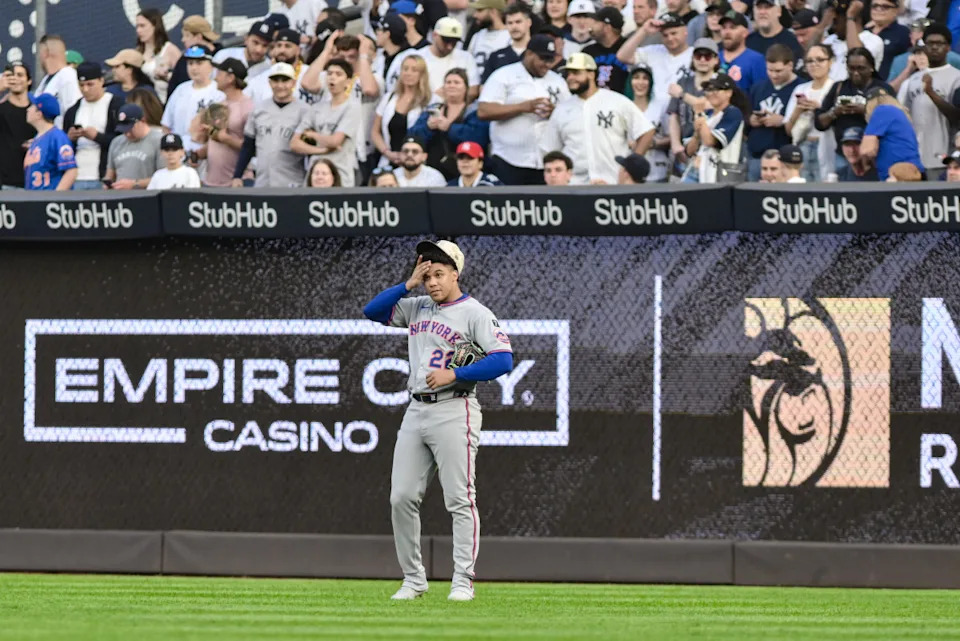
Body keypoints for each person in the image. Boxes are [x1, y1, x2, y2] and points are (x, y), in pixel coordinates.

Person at [362, 239, 514, 603]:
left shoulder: (475, 312)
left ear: (455, 274)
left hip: (454, 407)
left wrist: (457, 374)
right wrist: (407, 285)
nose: (432, 282)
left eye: (439, 274)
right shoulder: (417, 307)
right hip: (416, 409)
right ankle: (414, 579)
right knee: (401, 497)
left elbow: (504, 359)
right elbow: (372, 311)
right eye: (428, 275)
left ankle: (463, 579)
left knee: (459, 499)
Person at [541, 52, 653, 184]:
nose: (570, 78)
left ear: (591, 74)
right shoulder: (561, 110)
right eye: (568, 74)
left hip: (613, 182)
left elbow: (646, 131)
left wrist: (631, 167)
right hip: (575, 185)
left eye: (576, 73)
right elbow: (551, 150)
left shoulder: (616, 101)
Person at [479, 34, 569, 184]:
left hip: (546, 162)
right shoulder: (503, 75)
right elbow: (484, 111)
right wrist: (523, 107)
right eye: (543, 58)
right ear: (529, 54)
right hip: (509, 159)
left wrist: (554, 112)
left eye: (551, 59)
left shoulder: (558, 81)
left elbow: (568, 114)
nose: (547, 64)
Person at [815, 47, 893, 175]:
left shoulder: (882, 89)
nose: (855, 73)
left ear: (871, 68)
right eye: (851, 68)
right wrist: (835, 112)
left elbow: (894, 120)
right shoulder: (839, 87)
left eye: (861, 68)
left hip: (875, 154)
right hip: (845, 154)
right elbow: (819, 123)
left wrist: (865, 110)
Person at [233, 63, 312, 188]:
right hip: (263, 182)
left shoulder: (305, 111)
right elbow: (248, 146)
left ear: (293, 83)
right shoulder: (259, 110)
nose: (280, 85)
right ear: (270, 83)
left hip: (294, 182)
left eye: (285, 80)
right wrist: (237, 175)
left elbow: (311, 151)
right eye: (276, 80)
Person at [897, 24, 960, 179]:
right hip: (916, 158)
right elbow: (906, 116)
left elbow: (957, 117)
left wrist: (931, 93)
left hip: (946, 158)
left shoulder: (957, 77)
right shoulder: (913, 79)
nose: (934, 48)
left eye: (940, 44)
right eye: (930, 43)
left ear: (948, 48)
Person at [291, 58, 362, 186]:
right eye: (329, 74)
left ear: (348, 81)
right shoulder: (317, 108)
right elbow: (295, 143)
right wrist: (321, 151)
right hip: (315, 174)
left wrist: (313, 135)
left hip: (341, 175)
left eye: (338, 74)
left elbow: (336, 141)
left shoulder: (352, 107)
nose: (332, 78)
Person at [408, 68, 490, 179]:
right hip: (433, 171)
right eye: (448, 82)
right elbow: (412, 136)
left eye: (457, 82)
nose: (452, 85)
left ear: (466, 87)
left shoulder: (474, 111)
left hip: (465, 170)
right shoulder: (433, 109)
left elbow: (478, 138)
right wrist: (428, 127)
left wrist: (450, 128)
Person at [63, 62, 124, 190]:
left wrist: (97, 137)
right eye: (81, 85)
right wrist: (69, 139)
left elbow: (123, 142)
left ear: (101, 81)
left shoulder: (115, 105)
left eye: (90, 84)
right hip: (77, 176)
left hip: (103, 175)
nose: (85, 89)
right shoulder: (73, 110)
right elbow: (63, 146)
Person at [746, 44, 803, 181]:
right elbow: (747, 116)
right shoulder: (758, 87)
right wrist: (752, 120)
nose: (773, 75)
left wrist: (783, 121)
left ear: (790, 65)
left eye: (778, 71)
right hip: (757, 154)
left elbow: (804, 125)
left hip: (785, 157)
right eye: (769, 70)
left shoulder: (801, 88)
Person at [667, 37, 720, 178]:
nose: (702, 60)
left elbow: (708, 105)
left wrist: (682, 95)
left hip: (709, 147)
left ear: (716, 60)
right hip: (685, 147)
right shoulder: (683, 82)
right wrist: (675, 144)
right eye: (698, 56)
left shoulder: (721, 83)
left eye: (707, 56)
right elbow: (674, 115)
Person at [785, 45, 836, 182]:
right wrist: (798, 110)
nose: (815, 64)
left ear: (830, 62)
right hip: (802, 145)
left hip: (827, 145)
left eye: (820, 59)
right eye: (810, 61)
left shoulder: (836, 87)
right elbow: (788, 130)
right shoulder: (800, 88)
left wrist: (819, 108)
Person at [683, 72, 747, 183]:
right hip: (696, 171)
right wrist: (696, 135)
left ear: (729, 93)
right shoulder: (707, 114)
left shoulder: (733, 113)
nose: (711, 93)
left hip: (719, 174)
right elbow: (689, 151)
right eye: (709, 90)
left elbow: (710, 141)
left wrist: (699, 113)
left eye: (717, 89)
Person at [162, 46, 226, 155]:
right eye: (190, 63)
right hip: (178, 152)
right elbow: (166, 125)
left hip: (205, 153)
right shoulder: (180, 89)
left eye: (199, 63)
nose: (194, 68)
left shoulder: (219, 92)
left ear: (211, 65)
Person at [200, 59, 253, 187]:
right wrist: (198, 154)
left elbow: (252, 147)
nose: (216, 78)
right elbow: (212, 141)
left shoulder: (248, 107)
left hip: (237, 182)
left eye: (219, 73)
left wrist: (225, 138)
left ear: (230, 78)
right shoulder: (219, 105)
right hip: (211, 182)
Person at [373, 55, 431, 168]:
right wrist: (387, 153)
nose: (408, 73)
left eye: (414, 70)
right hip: (388, 160)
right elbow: (375, 131)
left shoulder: (428, 101)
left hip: (415, 163)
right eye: (405, 69)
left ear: (421, 74)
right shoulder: (389, 98)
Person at [619, 13, 692, 99]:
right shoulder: (654, 51)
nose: (670, 38)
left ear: (685, 31)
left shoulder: (697, 55)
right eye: (665, 35)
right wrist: (644, 31)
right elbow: (622, 56)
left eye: (674, 33)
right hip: (653, 110)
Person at [861, 85, 924, 180]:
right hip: (911, 170)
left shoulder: (881, 110)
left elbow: (867, 150)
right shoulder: (898, 113)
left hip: (899, 173)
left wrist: (864, 162)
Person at [23, 93, 76, 191]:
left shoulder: (57, 137)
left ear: (39, 114)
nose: (28, 109)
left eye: (32, 106)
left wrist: (55, 198)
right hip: (34, 199)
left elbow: (71, 171)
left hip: (48, 201)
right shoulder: (38, 138)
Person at [104, 104, 164, 189]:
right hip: (120, 196)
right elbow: (110, 173)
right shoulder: (116, 142)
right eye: (123, 130)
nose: (127, 134)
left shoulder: (158, 140)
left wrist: (135, 184)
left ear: (143, 120)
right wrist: (108, 184)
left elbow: (165, 176)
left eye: (130, 129)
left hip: (148, 196)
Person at [846, 0, 910, 79]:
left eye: (885, 7)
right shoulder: (865, 31)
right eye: (875, 6)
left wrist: (850, 17)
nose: (878, 9)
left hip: (885, 84)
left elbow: (857, 53)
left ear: (895, 10)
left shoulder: (903, 32)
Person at [629, 65, 670, 181]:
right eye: (636, 78)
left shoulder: (660, 106)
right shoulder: (624, 105)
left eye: (645, 78)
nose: (640, 83)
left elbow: (671, 137)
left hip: (657, 168)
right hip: (631, 169)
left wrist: (654, 143)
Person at [420, 18, 480, 98]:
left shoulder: (466, 58)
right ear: (434, 35)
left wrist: (451, 95)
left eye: (454, 42)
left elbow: (473, 90)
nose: (449, 46)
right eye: (446, 41)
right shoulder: (417, 57)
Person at [888, 19, 960, 85]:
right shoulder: (900, 60)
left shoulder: (952, 58)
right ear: (911, 36)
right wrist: (908, 70)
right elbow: (889, 92)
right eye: (918, 40)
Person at [0, 62, 35, 189]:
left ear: (29, 80)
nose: (15, 79)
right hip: (6, 183)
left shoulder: (37, 111)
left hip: (35, 181)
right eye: (12, 76)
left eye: (20, 75)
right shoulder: (1, 109)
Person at [166, 16, 220, 98]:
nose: (183, 40)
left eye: (187, 36)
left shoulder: (222, 57)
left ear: (199, 37)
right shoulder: (183, 60)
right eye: (190, 63)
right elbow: (173, 88)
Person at [35, 35, 82, 128]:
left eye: (39, 53)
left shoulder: (68, 76)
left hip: (60, 138)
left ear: (46, 53)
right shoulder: (47, 79)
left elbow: (72, 112)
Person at [136, 8, 181, 103]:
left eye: (142, 26)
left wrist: (166, 76)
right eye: (137, 26)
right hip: (143, 105)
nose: (139, 30)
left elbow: (181, 78)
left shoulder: (170, 50)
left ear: (155, 26)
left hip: (165, 102)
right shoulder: (137, 53)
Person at [482, 4, 535, 82]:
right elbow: (485, 87)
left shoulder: (539, 54)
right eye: (510, 23)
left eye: (518, 22)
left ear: (529, 22)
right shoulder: (495, 57)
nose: (514, 26)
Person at [582, 7, 629, 94]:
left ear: (607, 27)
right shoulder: (588, 51)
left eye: (596, 22)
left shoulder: (628, 47)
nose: (591, 27)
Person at [718, 12, 767, 92]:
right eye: (724, 28)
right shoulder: (713, 57)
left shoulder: (756, 60)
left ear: (745, 33)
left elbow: (760, 94)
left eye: (733, 28)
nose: (727, 32)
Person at [469, 0, 511, 73]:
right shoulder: (477, 36)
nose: (475, 15)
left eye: (480, 10)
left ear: (493, 11)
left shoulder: (509, 36)